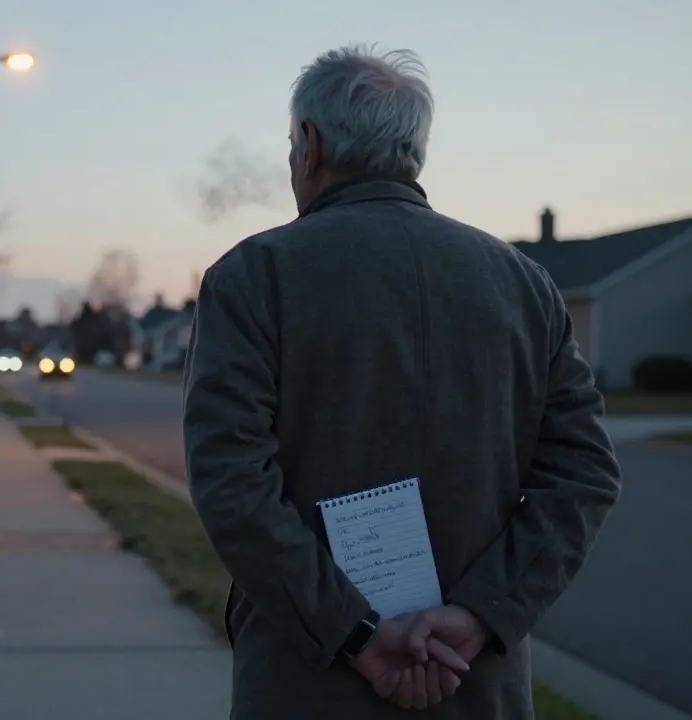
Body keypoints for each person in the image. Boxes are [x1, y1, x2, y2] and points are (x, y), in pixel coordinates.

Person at [182, 44, 622, 718]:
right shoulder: (523, 285)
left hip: (308, 684)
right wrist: (480, 615)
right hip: (472, 678)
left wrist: (355, 633)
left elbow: (232, 482)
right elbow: (585, 474)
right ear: (414, 152)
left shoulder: (254, 276)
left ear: (309, 143)